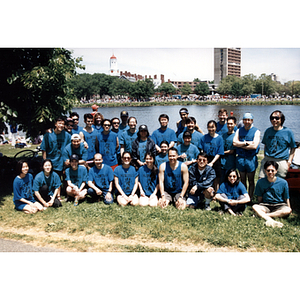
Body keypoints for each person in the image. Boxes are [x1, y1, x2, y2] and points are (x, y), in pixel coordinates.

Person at [259, 110, 296, 179]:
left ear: (282, 119)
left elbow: (293, 148)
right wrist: (265, 157)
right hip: (268, 159)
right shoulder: (268, 131)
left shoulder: (288, 132)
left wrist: (289, 162)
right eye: (272, 118)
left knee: (278, 183)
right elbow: (265, 145)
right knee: (261, 179)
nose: (274, 120)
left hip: (281, 160)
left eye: (277, 118)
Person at [253, 160, 292, 228]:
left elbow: (286, 197)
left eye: (272, 170)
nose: (270, 172)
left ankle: (267, 216)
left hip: (279, 205)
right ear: (265, 171)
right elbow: (259, 197)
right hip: (266, 205)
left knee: (287, 210)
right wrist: (260, 206)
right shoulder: (260, 182)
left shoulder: (283, 182)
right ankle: (271, 219)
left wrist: (289, 208)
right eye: (268, 170)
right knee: (255, 207)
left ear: (276, 171)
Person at [40, 116, 71, 199]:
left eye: (63, 124)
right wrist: (45, 162)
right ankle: (51, 194)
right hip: (51, 161)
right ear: (55, 124)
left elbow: (70, 148)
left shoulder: (67, 135)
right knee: (52, 179)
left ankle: (64, 194)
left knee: (63, 178)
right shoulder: (48, 136)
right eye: (59, 123)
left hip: (62, 161)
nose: (61, 125)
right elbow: (44, 149)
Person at [233, 112, 260, 199]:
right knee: (242, 179)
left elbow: (254, 146)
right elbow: (234, 143)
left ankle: (251, 197)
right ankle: (244, 196)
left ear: (252, 120)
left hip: (250, 158)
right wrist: (246, 143)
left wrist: (240, 144)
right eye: (245, 120)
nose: (247, 122)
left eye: (248, 120)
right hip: (240, 158)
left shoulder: (256, 131)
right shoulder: (239, 130)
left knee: (251, 180)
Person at [199, 120, 224, 192]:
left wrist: (212, 163)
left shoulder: (219, 138)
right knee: (205, 178)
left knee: (216, 179)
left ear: (216, 127)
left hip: (216, 160)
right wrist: (204, 160)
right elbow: (201, 150)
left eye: (212, 127)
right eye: (209, 127)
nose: (211, 129)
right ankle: (205, 193)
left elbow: (219, 153)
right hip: (205, 159)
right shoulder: (204, 138)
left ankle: (216, 194)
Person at [220, 116, 237, 182]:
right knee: (221, 180)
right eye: (228, 123)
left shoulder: (236, 136)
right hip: (222, 163)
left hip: (230, 162)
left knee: (230, 180)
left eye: (231, 124)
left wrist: (221, 152)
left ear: (235, 124)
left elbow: (231, 151)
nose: (229, 125)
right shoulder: (223, 135)